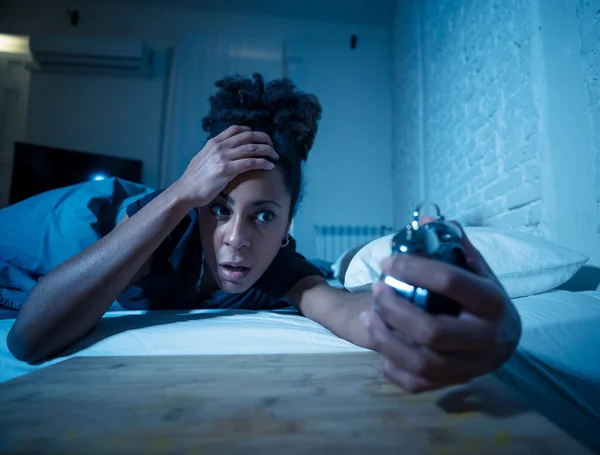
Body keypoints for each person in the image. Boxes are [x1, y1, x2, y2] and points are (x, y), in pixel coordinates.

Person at [6, 73, 521, 393]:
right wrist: (182, 194)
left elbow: (342, 308)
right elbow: (29, 338)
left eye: (264, 216)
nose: (235, 239)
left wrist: (444, 309)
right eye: (219, 209)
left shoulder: (281, 267)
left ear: (289, 220)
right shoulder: (159, 226)